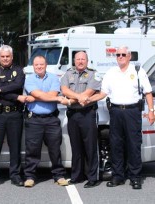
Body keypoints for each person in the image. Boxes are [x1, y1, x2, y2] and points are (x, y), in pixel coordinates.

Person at [88, 46, 155, 190]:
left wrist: (151, 111)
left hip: (132, 111)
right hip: (116, 111)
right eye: (118, 54)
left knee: (134, 144)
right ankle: (118, 176)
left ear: (129, 56)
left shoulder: (138, 71)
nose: (120, 56)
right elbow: (103, 93)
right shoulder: (111, 72)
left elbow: (148, 92)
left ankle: (135, 177)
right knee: (116, 144)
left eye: (123, 54)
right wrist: (88, 99)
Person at [22, 55, 69, 187]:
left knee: (55, 149)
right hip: (34, 119)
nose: (39, 67)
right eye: (36, 65)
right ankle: (30, 176)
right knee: (32, 150)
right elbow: (45, 95)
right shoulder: (29, 79)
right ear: (33, 66)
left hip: (51, 119)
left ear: (46, 65)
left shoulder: (54, 78)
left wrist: (35, 97)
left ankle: (58, 175)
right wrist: (48, 97)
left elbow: (52, 95)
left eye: (41, 64)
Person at [0, 45, 26, 188]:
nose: (5, 59)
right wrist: (17, 96)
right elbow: (3, 90)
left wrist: (0, 89)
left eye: (7, 56)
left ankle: (15, 175)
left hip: (15, 114)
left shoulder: (19, 71)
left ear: (12, 57)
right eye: (2, 56)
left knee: (15, 146)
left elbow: (18, 84)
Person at [60, 51, 102, 188]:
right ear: (74, 60)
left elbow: (89, 92)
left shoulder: (93, 74)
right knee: (76, 146)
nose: (80, 61)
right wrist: (78, 99)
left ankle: (92, 178)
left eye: (83, 59)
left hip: (88, 113)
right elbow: (64, 90)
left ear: (87, 61)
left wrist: (72, 100)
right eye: (78, 59)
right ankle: (77, 176)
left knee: (90, 147)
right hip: (73, 114)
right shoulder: (68, 73)